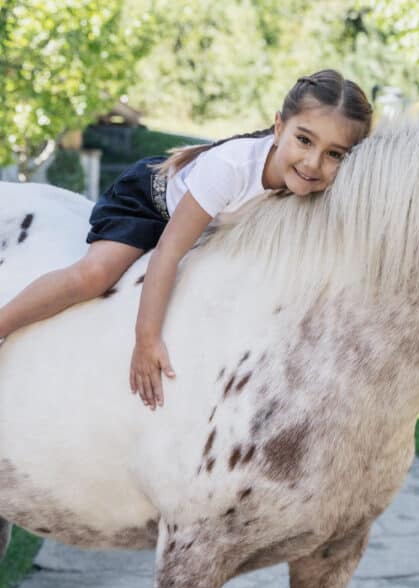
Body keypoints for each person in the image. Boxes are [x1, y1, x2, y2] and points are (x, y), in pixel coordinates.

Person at [0, 69, 373, 409]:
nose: (313, 163)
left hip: (205, 227)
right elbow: (168, 251)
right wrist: (147, 341)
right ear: (279, 128)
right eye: (304, 140)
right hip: (147, 204)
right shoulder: (231, 169)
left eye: (334, 154)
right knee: (95, 275)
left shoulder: (314, 186)